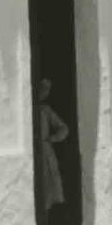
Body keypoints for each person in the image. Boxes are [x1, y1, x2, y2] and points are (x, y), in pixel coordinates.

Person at [35, 77, 69, 213]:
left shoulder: (45, 110)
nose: (44, 93)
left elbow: (64, 128)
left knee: (47, 189)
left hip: (44, 152)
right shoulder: (26, 109)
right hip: (32, 153)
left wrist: (52, 138)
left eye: (47, 90)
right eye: (42, 89)